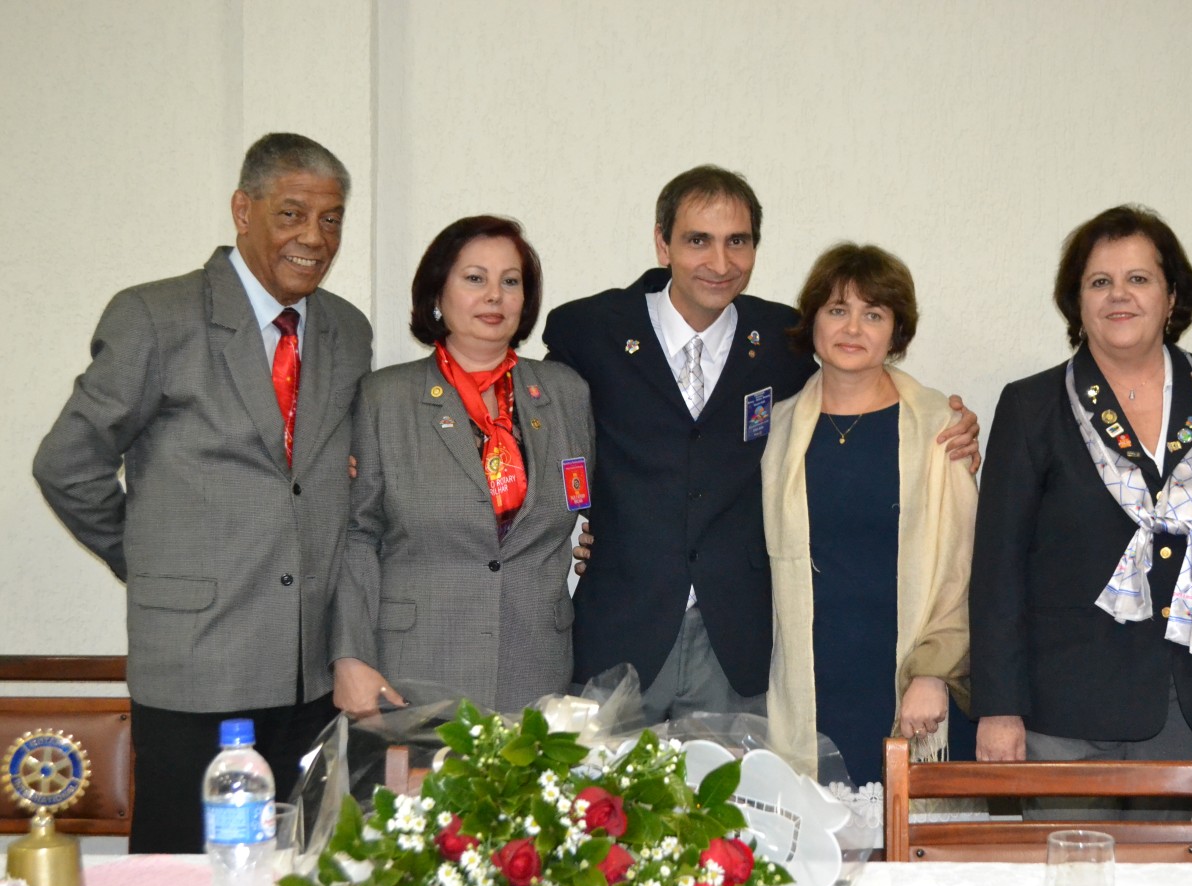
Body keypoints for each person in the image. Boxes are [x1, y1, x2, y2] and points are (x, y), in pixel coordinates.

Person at [33, 133, 372, 853]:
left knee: (301, 882)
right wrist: (148, 560)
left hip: (309, 677)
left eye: (332, 219)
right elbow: (67, 464)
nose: (314, 238)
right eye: (291, 214)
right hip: (196, 667)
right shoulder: (156, 317)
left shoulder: (347, 329)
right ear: (243, 210)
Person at [543, 165, 978, 723]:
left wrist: (944, 421)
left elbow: (857, 384)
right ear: (662, 243)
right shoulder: (591, 330)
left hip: (738, 645)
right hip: (619, 632)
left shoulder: (784, 341)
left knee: (732, 783)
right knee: (600, 782)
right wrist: (574, 524)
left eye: (737, 241)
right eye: (698, 240)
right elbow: (546, 430)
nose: (720, 262)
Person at [970, 206, 1192, 819]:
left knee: (1167, 872)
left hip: (1186, 704)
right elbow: (997, 569)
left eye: (1139, 279)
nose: (1119, 295)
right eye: (1100, 281)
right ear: (1077, 302)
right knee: (1066, 874)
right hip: (1062, 710)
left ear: (1172, 295)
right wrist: (998, 707)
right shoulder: (1031, 406)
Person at [330, 216, 592, 715]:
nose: (494, 296)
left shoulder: (564, 394)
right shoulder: (385, 398)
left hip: (535, 668)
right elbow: (356, 538)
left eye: (510, 281)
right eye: (475, 278)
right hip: (414, 670)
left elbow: (593, 504)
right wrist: (350, 656)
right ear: (437, 294)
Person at [763, 244, 976, 790]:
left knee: (907, 835)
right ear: (813, 320)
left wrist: (933, 672)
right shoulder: (776, 428)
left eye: (873, 314)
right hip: (808, 680)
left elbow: (962, 568)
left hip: (908, 683)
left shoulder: (940, 428)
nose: (852, 328)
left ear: (896, 331)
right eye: (837, 310)